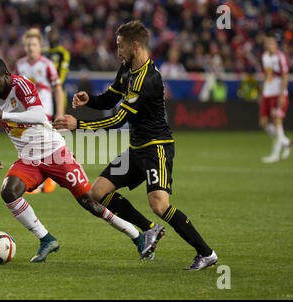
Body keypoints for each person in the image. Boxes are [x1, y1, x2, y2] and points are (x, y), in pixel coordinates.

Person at [53, 20, 217, 270]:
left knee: (159, 205)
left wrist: (79, 125)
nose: (117, 51)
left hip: (156, 147)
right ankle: (150, 230)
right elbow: (111, 97)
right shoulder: (127, 69)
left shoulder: (148, 79)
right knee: (98, 192)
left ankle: (206, 253)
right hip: (136, 148)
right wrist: (90, 100)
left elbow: (119, 119)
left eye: (120, 46)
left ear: (135, 45)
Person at [0, 56, 150, 263]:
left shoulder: (21, 85)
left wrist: (4, 114)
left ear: (6, 75)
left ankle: (137, 236)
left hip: (55, 153)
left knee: (90, 202)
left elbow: (39, 115)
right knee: (8, 191)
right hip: (28, 160)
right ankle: (46, 239)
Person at [15, 28, 65, 193]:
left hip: (44, 110)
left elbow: (57, 89)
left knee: (43, 143)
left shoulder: (47, 65)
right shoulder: (20, 64)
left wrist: (60, 112)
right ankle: (41, 180)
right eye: (28, 45)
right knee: (32, 144)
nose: (31, 48)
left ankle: (45, 181)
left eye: (34, 44)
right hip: (26, 111)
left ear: (39, 46)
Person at [259, 35, 291, 163]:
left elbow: (284, 75)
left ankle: (275, 154)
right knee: (264, 123)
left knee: (277, 122)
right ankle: (286, 142)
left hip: (278, 93)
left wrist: (282, 94)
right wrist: (262, 91)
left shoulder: (280, 57)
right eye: (267, 43)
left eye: (271, 43)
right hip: (267, 92)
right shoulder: (265, 57)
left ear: (275, 44)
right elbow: (267, 75)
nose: (269, 45)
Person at [43, 24, 71, 106]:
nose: (51, 36)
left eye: (53, 33)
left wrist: (55, 87)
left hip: (58, 91)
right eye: (49, 33)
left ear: (57, 35)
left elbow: (63, 73)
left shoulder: (63, 53)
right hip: (44, 92)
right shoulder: (42, 52)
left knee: (59, 117)